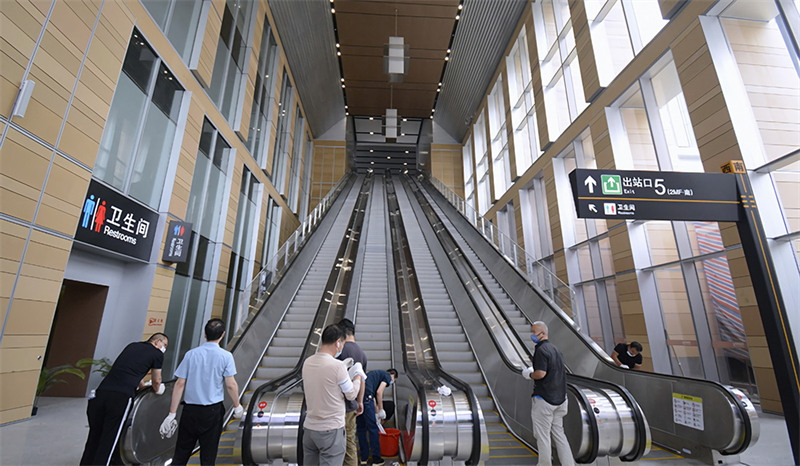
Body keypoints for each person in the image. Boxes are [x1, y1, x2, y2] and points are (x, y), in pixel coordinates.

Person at [160, 319, 244, 465]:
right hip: (212, 412)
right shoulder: (226, 356)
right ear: (223, 335)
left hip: (190, 411)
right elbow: (230, 384)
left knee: (181, 454)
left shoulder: (191, 354)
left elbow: (180, 384)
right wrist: (237, 406)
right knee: (208, 455)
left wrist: (171, 413)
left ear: (205, 334)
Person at [80, 333, 168, 465]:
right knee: (110, 438)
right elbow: (156, 380)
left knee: (94, 436)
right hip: (120, 397)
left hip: (101, 393)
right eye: (164, 345)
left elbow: (130, 370)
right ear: (157, 342)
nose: (164, 348)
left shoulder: (132, 346)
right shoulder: (157, 354)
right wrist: (158, 389)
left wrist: (141, 385)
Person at [302, 324, 365, 466]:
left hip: (310, 429)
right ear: (338, 342)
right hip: (330, 430)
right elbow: (351, 394)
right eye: (342, 344)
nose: (341, 347)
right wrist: (357, 377)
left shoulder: (307, 362)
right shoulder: (337, 366)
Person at [522, 321, 574, 466]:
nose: (532, 335)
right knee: (559, 434)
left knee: (543, 436)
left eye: (534, 332)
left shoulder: (541, 350)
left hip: (544, 399)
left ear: (542, 333)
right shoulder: (555, 349)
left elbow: (541, 374)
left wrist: (529, 374)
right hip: (561, 399)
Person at [336, 318, 368, 466]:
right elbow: (361, 380)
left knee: (335, 442)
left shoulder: (340, 350)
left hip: (338, 404)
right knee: (350, 440)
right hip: (351, 405)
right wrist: (359, 401)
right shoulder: (361, 353)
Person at [357, 368, 398, 466]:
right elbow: (379, 392)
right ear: (393, 375)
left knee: (361, 429)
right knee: (373, 429)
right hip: (367, 399)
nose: (392, 382)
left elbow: (373, 396)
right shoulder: (387, 376)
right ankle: (376, 459)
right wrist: (381, 409)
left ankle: (364, 458)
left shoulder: (375, 375)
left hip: (360, 399)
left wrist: (376, 412)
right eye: (394, 381)